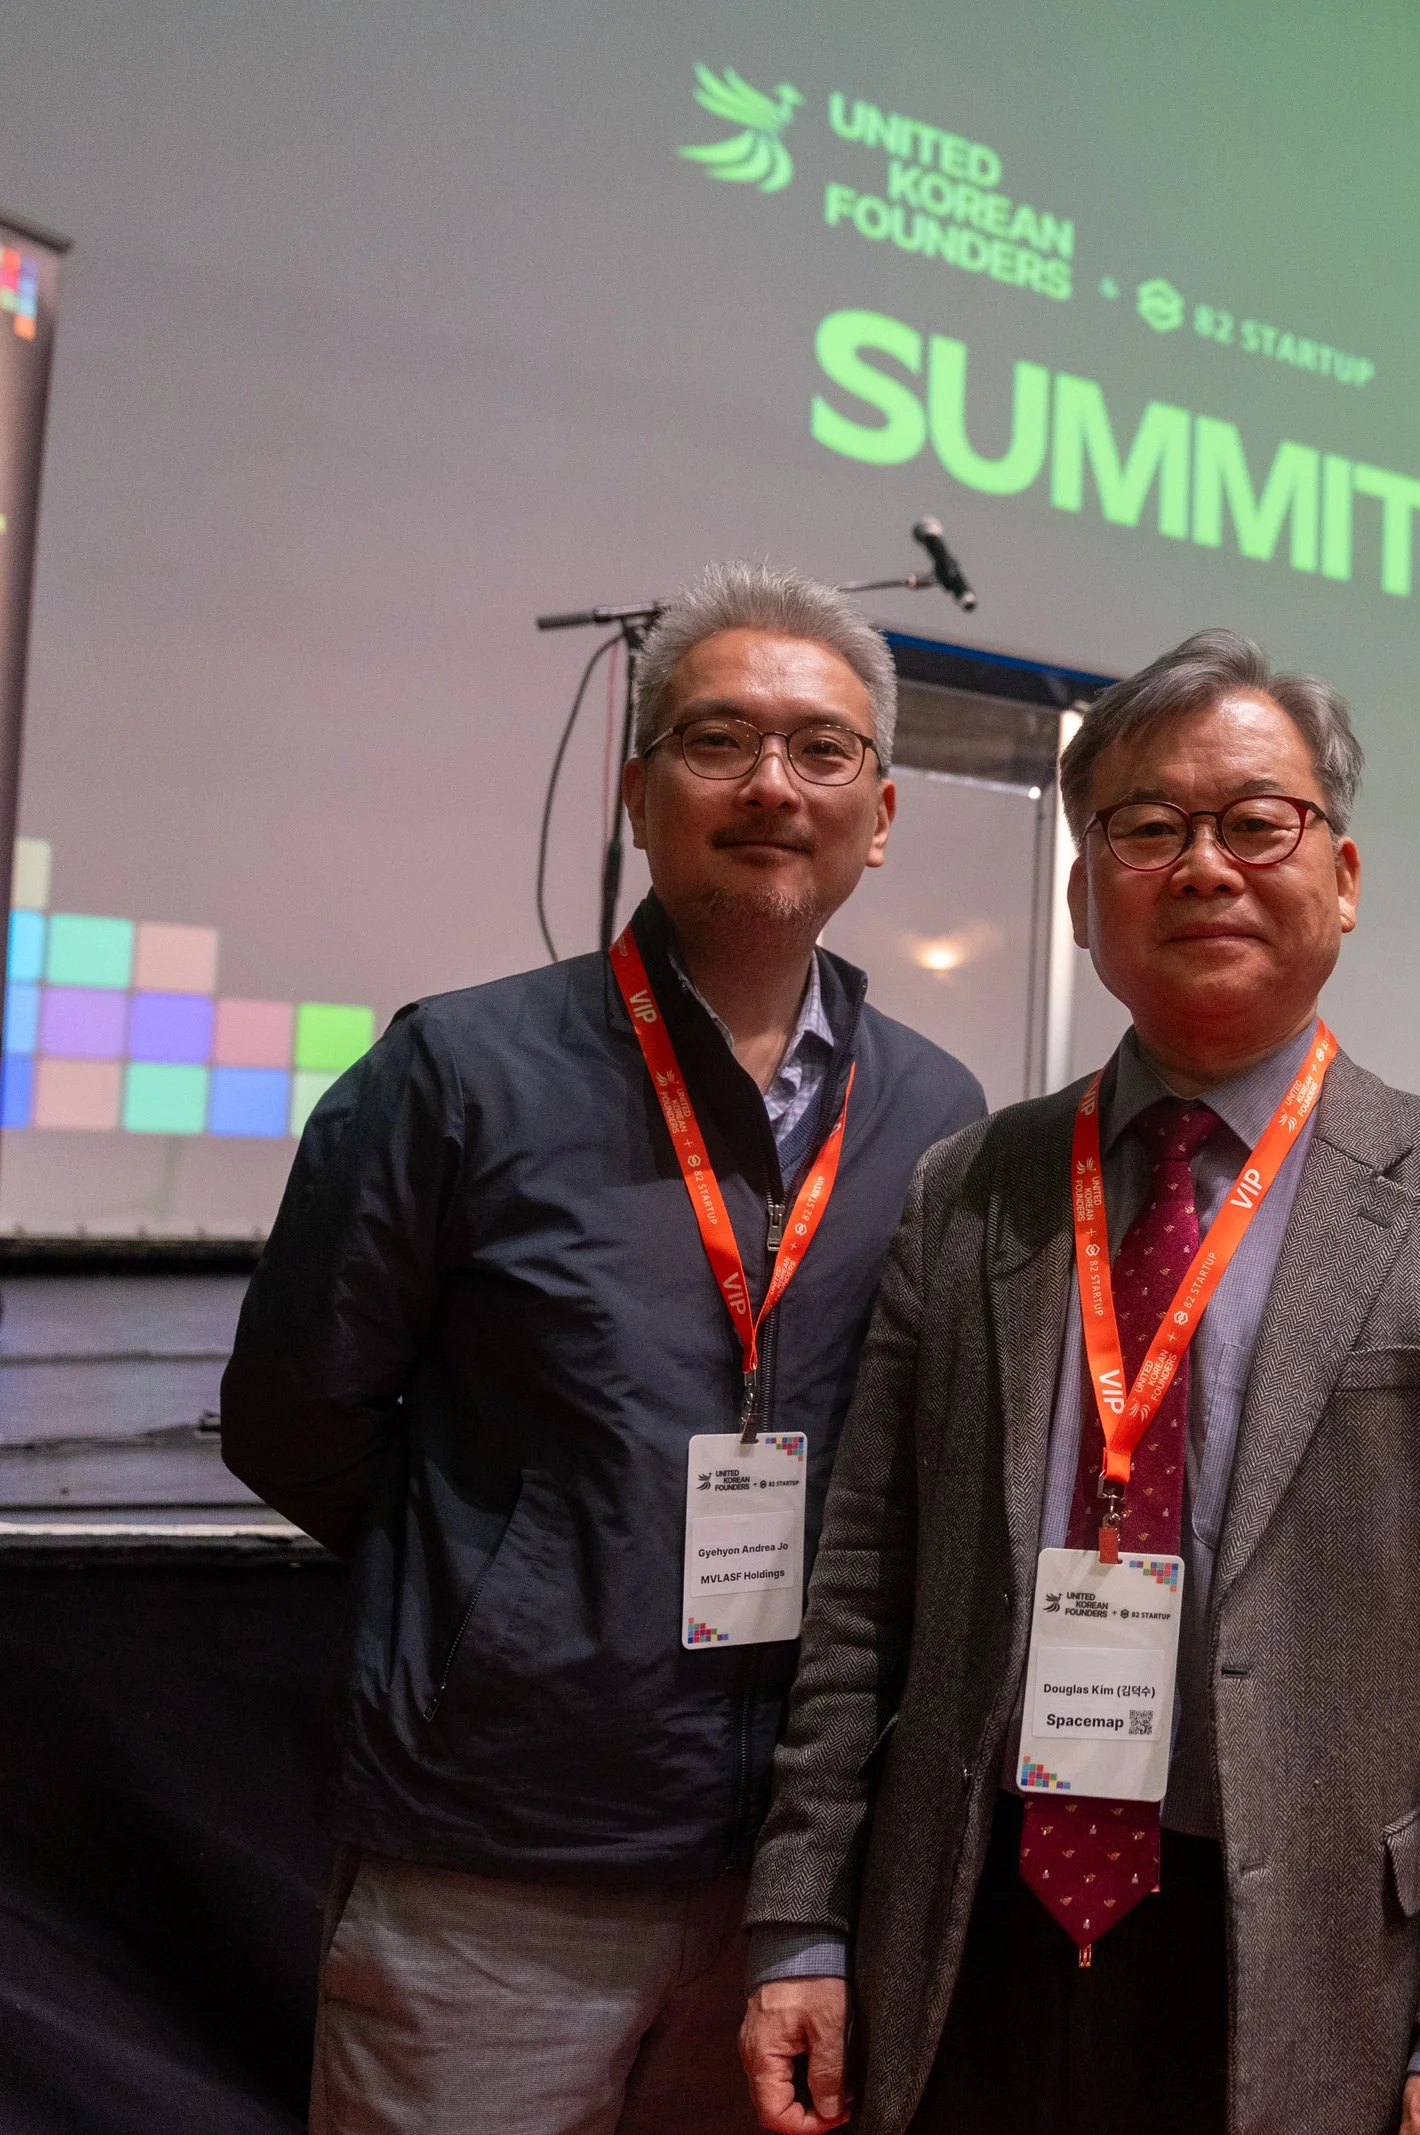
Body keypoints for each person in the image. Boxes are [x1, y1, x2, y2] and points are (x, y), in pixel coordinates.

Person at [737, 628, 1420, 2135]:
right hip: (967, 1930)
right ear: (1082, 893)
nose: (1205, 865)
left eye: (1257, 820)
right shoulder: (972, 1190)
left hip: (1308, 1963)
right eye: (1149, 826)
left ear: (1342, 874)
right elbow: (862, 1583)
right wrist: (801, 1917)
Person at [221, 561, 987, 2133]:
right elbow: (295, 1415)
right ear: (640, 790)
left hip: (796, 1887)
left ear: (885, 812)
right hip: (495, 1866)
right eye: (721, 740)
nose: (775, 783)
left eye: (823, 750)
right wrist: (519, 1587)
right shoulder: (460, 1069)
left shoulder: (938, 1116)